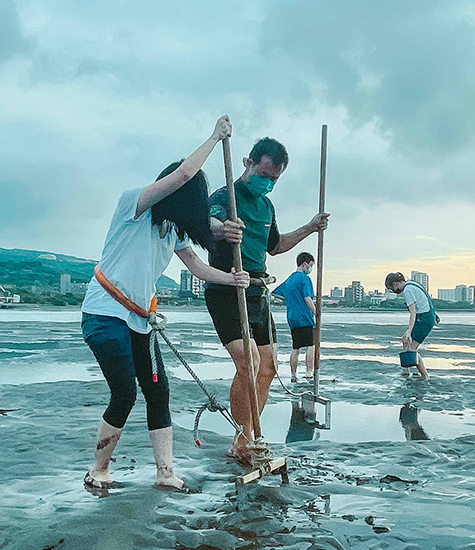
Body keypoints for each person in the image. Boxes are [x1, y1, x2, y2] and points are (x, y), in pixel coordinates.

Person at [80, 116, 250, 491]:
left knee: (158, 390)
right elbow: (187, 174)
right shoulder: (134, 206)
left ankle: (165, 472)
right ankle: (99, 468)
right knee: (124, 392)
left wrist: (234, 277)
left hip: (140, 319)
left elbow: (198, 267)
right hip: (104, 314)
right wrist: (214, 136)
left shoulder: (171, 229)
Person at [205, 137, 329, 463]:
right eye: (264, 174)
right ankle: (245, 437)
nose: (268, 183)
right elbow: (208, 224)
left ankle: (243, 437)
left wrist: (311, 228)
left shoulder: (266, 207)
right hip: (227, 290)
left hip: (258, 292)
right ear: (248, 163)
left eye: (274, 179)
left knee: (269, 367)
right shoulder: (225, 196)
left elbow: (275, 245)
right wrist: (223, 230)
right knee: (249, 362)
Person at [272, 252, 318, 383]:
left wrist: (290, 299)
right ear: (304, 264)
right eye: (311, 265)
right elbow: (307, 298)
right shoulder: (304, 279)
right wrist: (316, 312)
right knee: (310, 345)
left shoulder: (290, 279)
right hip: (304, 316)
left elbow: (276, 293)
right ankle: (309, 372)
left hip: (292, 317)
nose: (311, 269)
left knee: (295, 347)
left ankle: (293, 374)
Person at [384, 272, 437, 379]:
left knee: (412, 349)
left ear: (395, 284)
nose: (393, 291)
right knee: (405, 340)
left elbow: (413, 312)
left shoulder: (408, 291)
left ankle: (425, 376)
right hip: (427, 316)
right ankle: (405, 372)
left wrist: (409, 331)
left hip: (424, 319)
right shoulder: (413, 284)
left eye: (392, 288)